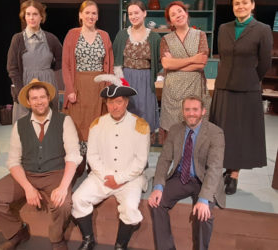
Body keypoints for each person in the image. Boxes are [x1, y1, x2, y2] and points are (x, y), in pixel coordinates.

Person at [0, 79, 82, 250]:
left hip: (55, 172)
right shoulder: (20, 125)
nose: (39, 101)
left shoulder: (64, 120)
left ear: (48, 98)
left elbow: (73, 155)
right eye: (34, 98)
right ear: (28, 102)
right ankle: (17, 232)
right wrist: (27, 187)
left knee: (64, 204)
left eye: (42, 97)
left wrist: (64, 186)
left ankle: (57, 239)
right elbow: (13, 161)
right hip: (27, 172)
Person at [71, 74, 150, 250]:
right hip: (102, 175)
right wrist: (106, 176)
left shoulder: (141, 125)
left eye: (119, 101)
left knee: (130, 208)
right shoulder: (97, 124)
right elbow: (92, 156)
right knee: (78, 198)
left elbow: (140, 161)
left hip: (130, 178)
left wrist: (119, 179)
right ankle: (88, 239)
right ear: (106, 104)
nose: (115, 106)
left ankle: (120, 245)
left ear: (126, 102)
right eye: (111, 102)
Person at [209, 0, 273, 195]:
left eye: (245, 2)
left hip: (247, 89)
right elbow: (223, 57)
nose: (240, 6)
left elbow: (265, 62)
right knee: (221, 130)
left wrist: (251, 79)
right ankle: (219, 169)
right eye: (237, 3)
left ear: (252, 5)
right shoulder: (224, 28)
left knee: (241, 134)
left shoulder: (262, 29)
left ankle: (234, 174)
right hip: (224, 87)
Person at [148, 96, 225, 250]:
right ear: (183, 112)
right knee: (156, 204)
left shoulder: (215, 133)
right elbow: (164, 160)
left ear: (203, 111)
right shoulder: (176, 130)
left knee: (204, 215)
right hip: (180, 177)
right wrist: (158, 186)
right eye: (187, 110)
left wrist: (204, 199)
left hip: (203, 179)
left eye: (195, 109)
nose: (191, 113)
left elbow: (215, 168)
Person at [62, 0, 114, 164]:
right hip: (78, 86)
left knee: (97, 125)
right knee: (78, 125)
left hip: (99, 87)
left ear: (97, 16)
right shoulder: (72, 34)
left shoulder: (104, 35)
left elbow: (110, 65)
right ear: (80, 15)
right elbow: (66, 65)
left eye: (94, 13)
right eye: (87, 13)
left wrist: (107, 89)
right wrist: (70, 89)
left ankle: (95, 164)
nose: (91, 16)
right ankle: (78, 163)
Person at [159, 1, 211, 144]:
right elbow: (166, 64)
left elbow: (201, 63)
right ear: (170, 21)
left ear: (186, 14)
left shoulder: (200, 35)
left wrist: (175, 64)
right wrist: (193, 59)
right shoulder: (166, 40)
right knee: (173, 132)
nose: (178, 15)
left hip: (195, 89)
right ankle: (175, 163)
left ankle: (193, 164)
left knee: (194, 129)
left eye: (180, 11)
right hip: (172, 93)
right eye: (173, 15)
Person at [113, 0, 161, 140]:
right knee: (126, 116)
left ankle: (143, 155)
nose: (133, 16)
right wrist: (121, 82)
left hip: (146, 80)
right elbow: (116, 59)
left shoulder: (154, 37)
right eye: (130, 14)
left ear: (144, 13)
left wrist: (154, 78)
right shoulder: (122, 35)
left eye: (136, 13)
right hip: (126, 79)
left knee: (144, 117)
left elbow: (159, 62)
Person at [7, 0, 62, 124]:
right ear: (24, 16)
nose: (31, 18)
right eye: (28, 14)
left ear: (41, 16)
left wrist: (47, 71)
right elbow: (12, 68)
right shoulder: (18, 39)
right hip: (25, 85)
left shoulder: (51, 38)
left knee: (49, 124)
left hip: (48, 85)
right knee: (26, 125)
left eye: (35, 14)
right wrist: (21, 91)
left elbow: (61, 59)